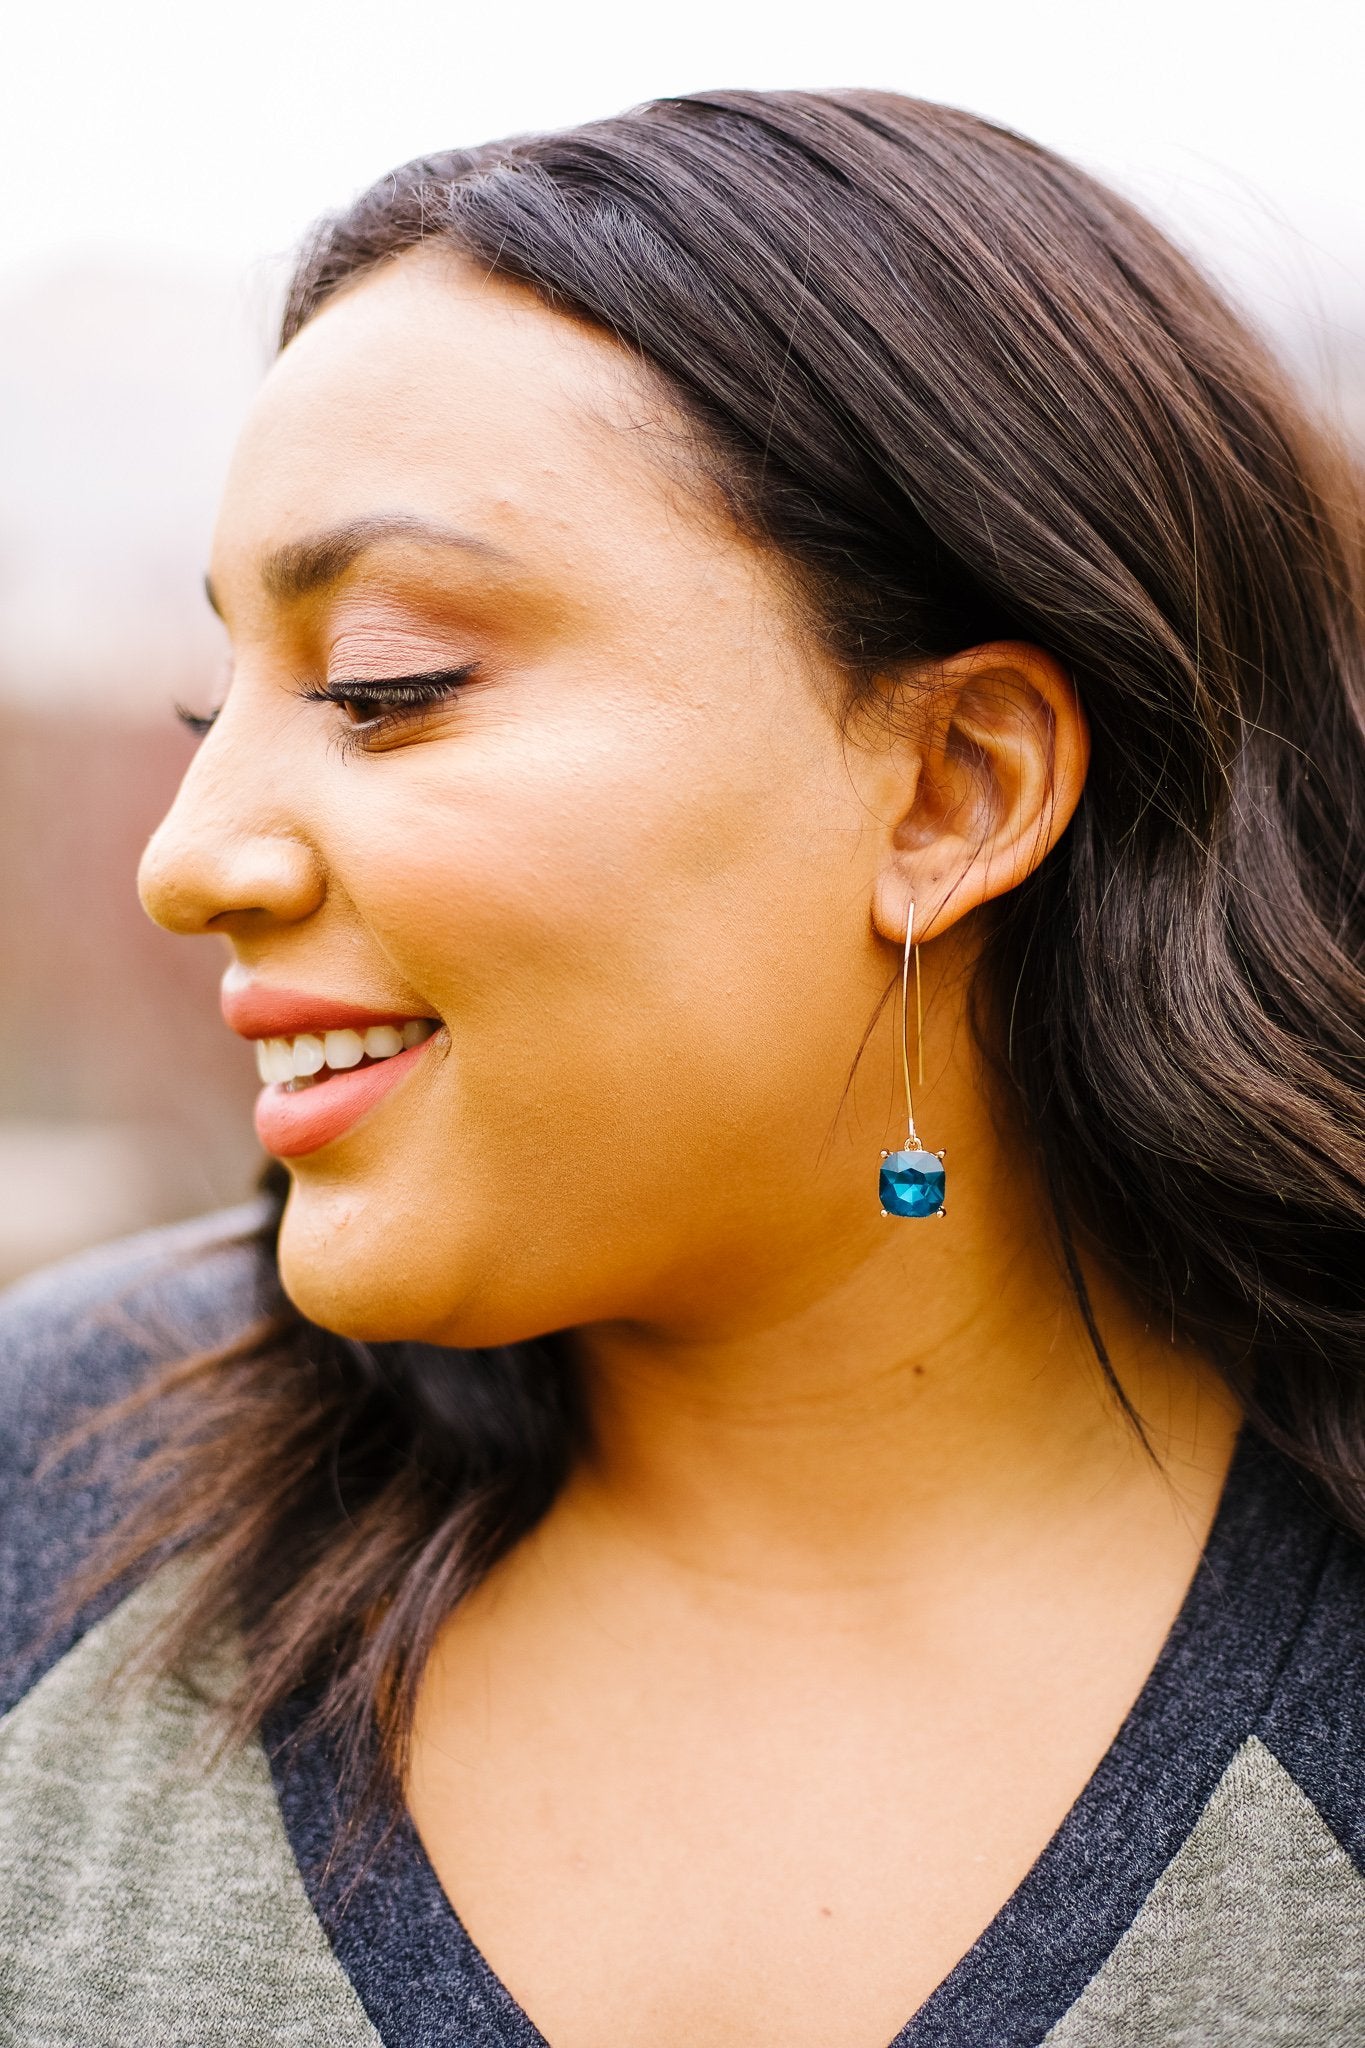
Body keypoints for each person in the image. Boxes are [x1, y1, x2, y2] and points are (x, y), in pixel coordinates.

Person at [2, 86, 1363, 2048]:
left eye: (385, 687)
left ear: (948, 789)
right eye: (222, 703)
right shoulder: (53, 1501)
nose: (189, 857)